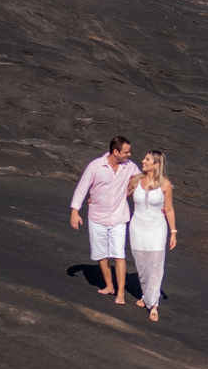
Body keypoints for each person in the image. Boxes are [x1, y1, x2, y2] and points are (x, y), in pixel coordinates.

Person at [70, 136, 141, 305]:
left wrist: (134, 188)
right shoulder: (95, 166)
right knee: (101, 254)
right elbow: (82, 188)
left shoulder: (130, 167)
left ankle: (121, 293)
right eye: (126, 152)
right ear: (115, 151)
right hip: (97, 217)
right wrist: (75, 211)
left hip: (119, 217)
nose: (129, 155)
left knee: (119, 255)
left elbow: (144, 180)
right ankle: (110, 286)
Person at [127, 150, 176, 322]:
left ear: (156, 165)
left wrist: (173, 232)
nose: (143, 161)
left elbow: (169, 209)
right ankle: (146, 295)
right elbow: (119, 196)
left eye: (147, 159)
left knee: (155, 265)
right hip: (137, 227)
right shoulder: (135, 180)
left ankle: (153, 304)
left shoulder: (165, 184)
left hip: (157, 228)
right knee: (141, 265)